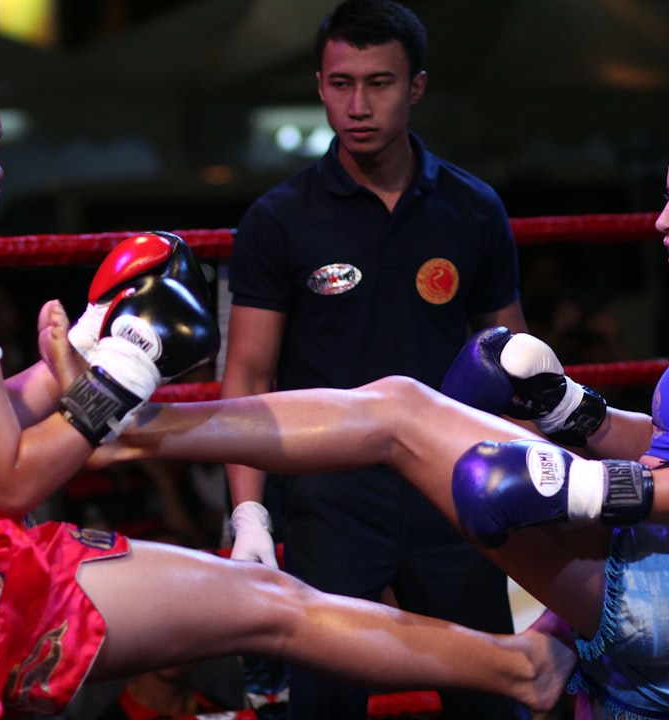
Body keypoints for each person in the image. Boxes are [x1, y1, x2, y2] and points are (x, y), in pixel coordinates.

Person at [0, 46, 576, 720]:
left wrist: (90, 342)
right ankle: (525, 669)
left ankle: (517, 667)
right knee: (276, 606)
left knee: (265, 603)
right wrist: (121, 377)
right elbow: (7, 481)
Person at [94, 112, 669, 720]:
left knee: (401, 409)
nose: (662, 220)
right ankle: (130, 426)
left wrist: (583, 487)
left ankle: (131, 424)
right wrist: (574, 412)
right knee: (520, 659)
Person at [222, 1, 526, 715]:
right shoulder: (278, 218)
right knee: (325, 704)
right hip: (330, 499)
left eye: (379, 83)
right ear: (320, 86)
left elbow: (515, 360)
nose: (357, 105)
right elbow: (249, 374)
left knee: (491, 697)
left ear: (415, 86)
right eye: (341, 83)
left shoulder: (473, 208)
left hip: (454, 489)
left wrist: (532, 483)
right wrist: (249, 516)